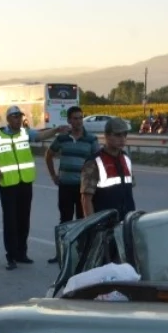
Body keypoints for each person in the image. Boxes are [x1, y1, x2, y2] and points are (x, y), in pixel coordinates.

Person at [0, 105, 67, 270]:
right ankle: (11, 256)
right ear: (8, 119)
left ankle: (22, 253)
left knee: (23, 219)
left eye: (19, 117)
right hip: (7, 183)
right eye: (14, 117)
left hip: (25, 182)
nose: (18, 119)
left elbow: (40, 136)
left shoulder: (25, 133)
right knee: (10, 220)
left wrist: (55, 130)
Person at [43, 105, 99, 262]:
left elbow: (98, 161)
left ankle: (82, 253)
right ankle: (62, 253)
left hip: (83, 188)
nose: (79, 121)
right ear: (69, 120)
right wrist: (53, 175)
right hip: (65, 186)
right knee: (65, 220)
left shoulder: (91, 139)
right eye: (75, 118)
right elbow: (49, 155)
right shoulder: (62, 138)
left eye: (81, 118)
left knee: (82, 220)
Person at [81, 117, 135, 220]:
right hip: (105, 225)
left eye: (125, 135)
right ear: (106, 135)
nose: (122, 139)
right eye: (118, 135)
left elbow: (128, 193)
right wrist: (93, 226)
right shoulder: (94, 162)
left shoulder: (126, 159)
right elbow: (86, 199)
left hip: (126, 222)